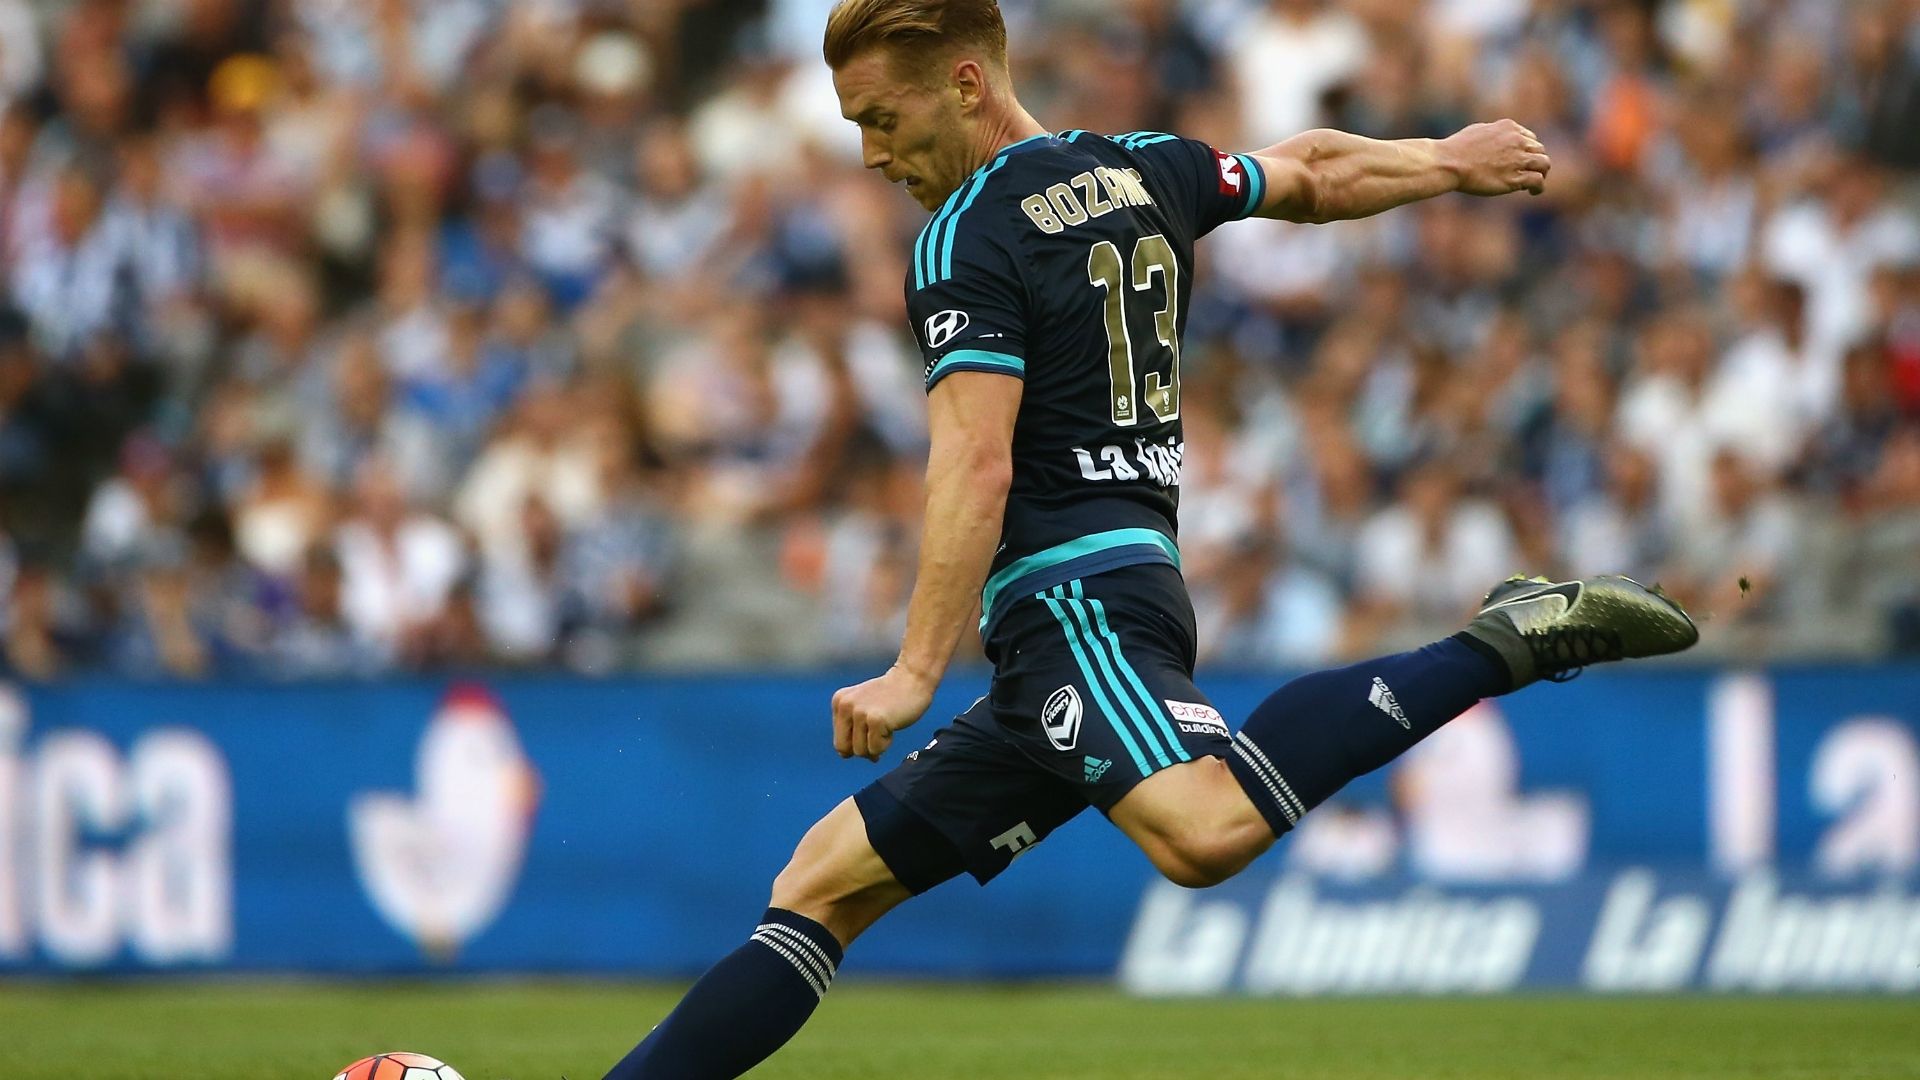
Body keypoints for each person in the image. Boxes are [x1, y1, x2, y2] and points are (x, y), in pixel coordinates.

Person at [601, 3, 1699, 1076]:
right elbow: (1310, 171)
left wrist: (913, 670)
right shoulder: (1143, 165)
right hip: (1099, 602)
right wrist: (1445, 159)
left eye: (882, 120)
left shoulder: (965, 237)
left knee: (1204, 831)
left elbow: (975, 463)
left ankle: (1501, 643)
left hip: (1077, 603)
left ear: (967, 85)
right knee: (822, 883)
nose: (871, 153)